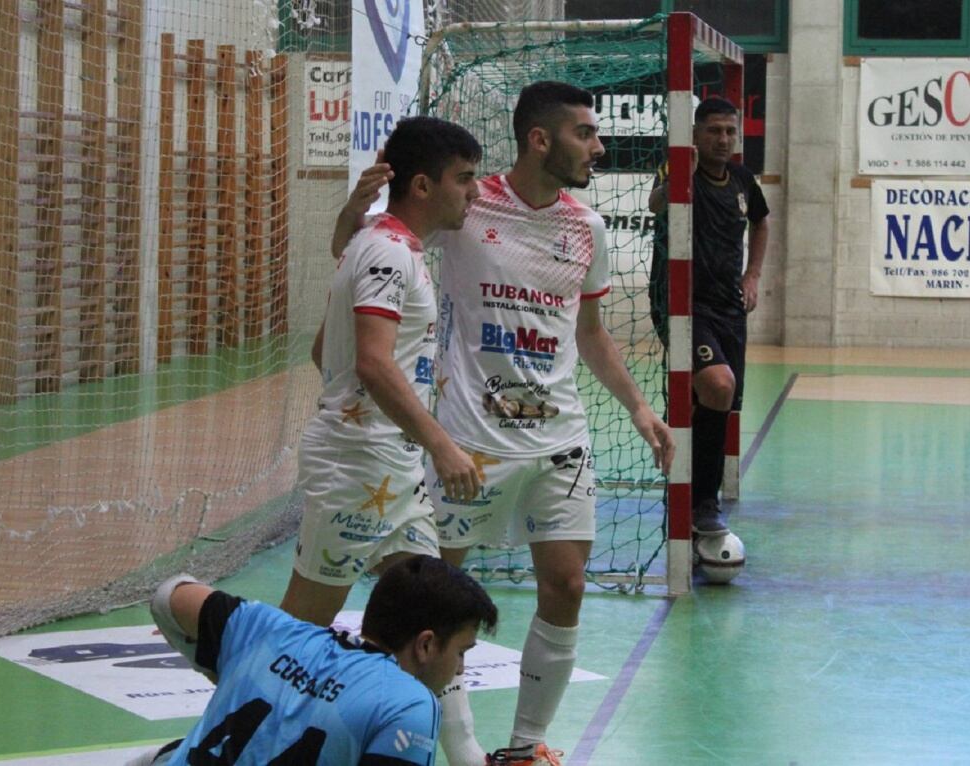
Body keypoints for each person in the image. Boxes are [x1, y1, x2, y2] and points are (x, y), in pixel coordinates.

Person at [336, 82, 675, 766]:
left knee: (568, 585)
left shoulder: (589, 229)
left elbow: (591, 333)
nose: (599, 147)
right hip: (472, 440)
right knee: (435, 596)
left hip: (561, 438)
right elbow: (363, 245)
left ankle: (522, 750)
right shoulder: (469, 202)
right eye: (586, 132)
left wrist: (639, 408)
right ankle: (460, 750)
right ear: (540, 139)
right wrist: (353, 205)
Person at [279, 116, 483, 629]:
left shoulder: (381, 241)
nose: (474, 192)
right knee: (300, 629)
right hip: (358, 464)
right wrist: (442, 443)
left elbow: (326, 350)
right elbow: (371, 362)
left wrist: (352, 209)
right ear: (421, 186)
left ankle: (392, 707)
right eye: (463, 178)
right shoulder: (389, 253)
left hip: (390, 461)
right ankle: (246, 708)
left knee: (426, 617)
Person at [129, 555, 499, 765]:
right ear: (426, 645)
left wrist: (221, 671)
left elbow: (168, 595)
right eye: (462, 652)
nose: (461, 669)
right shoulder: (408, 702)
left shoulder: (268, 628)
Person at [647, 96, 769, 537]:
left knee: (714, 400)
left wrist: (752, 273)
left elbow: (761, 221)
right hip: (681, 304)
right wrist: (681, 170)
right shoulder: (680, 169)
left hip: (727, 306)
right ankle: (702, 501)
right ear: (696, 134)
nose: (722, 139)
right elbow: (655, 204)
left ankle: (686, 487)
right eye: (714, 130)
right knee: (719, 385)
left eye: (729, 131)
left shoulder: (741, 178)